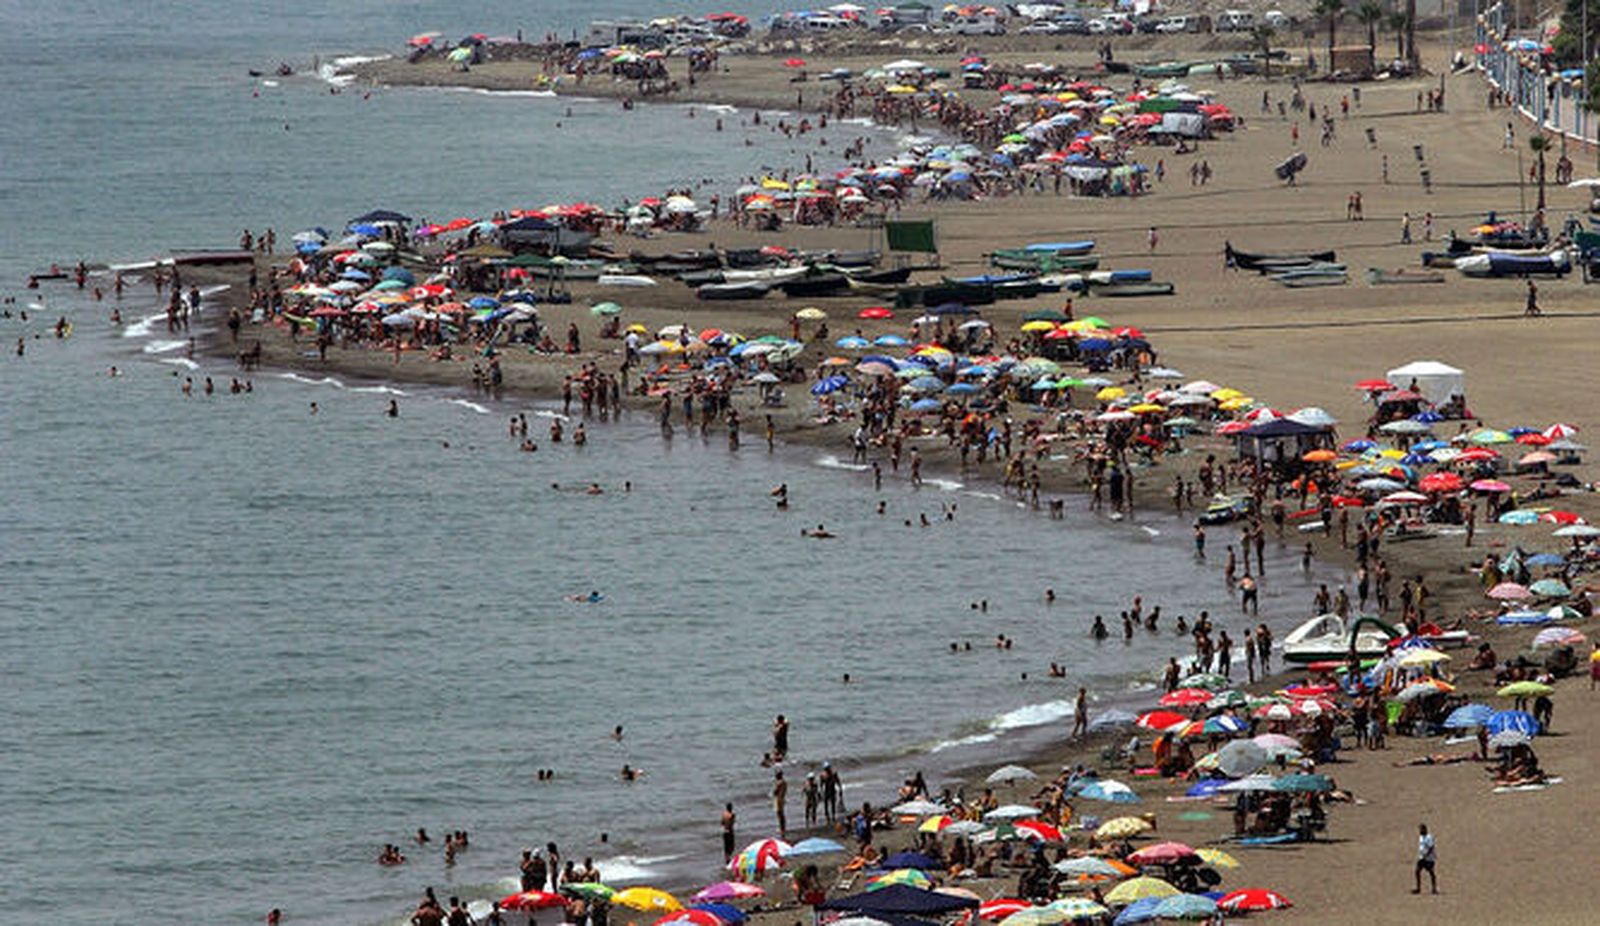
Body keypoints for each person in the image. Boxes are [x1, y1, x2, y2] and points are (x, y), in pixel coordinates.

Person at [1413, 823, 1437, 894]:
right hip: (1422, 857)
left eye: (1421, 829)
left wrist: (1426, 854)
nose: (1419, 831)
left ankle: (1434, 888)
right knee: (1417, 871)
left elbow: (1431, 847)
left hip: (1429, 859)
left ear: (1425, 829)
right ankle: (1418, 888)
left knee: (1431, 872)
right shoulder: (1421, 837)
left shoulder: (1429, 837)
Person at [772, 769, 789, 837]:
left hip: (778, 800)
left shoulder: (779, 783)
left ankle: (781, 829)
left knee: (779, 815)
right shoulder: (784, 782)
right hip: (782, 798)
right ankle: (783, 828)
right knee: (782, 815)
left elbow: (775, 792)